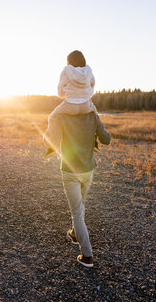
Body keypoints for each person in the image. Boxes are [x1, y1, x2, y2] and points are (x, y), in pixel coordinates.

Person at [54, 112, 110, 267]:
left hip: (70, 171)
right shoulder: (92, 115)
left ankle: (87, 255)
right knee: (80, 205)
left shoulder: (62, 115)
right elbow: (107, 139)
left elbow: (51, 139)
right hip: (88, 171)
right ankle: (74, 234)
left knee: (77, 211)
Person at [43, 50, 99, 158]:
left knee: (52, 117)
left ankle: (52, 145)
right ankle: (94, 142)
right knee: (96, 117)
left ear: (69, 61)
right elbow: (93, 84)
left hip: (70, 105)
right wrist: (87, 95)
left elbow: (60, 89)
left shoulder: (66, 71)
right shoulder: (88, 70)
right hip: (86, 105)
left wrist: (64, 95)